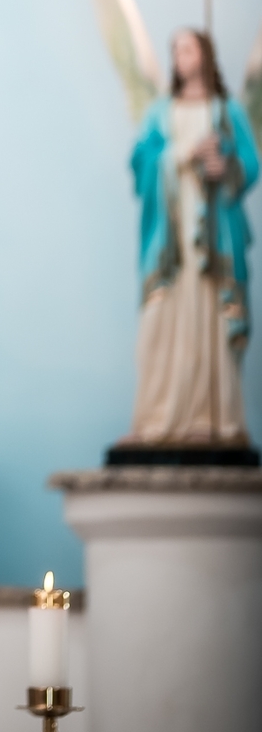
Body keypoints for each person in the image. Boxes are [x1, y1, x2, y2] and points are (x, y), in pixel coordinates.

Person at [125, 27, 258, 445]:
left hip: (214, 240)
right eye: (176, 49)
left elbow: (250, 163)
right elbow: (140, 162)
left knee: (211, 319)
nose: (181, 55)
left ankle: (211, 417)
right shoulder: (162, 112)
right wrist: (182, 155)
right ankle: (156, 418)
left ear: (204, 54)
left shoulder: (226, 112)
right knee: (162, 320)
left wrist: (226, 168)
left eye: (188, 47)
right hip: (172, 242)